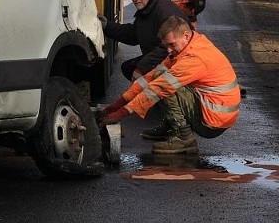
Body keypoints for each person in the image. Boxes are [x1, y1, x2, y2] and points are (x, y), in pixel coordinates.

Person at [99, 16, 240, 154]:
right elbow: (149, 78)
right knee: (160, 78)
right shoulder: (188, 46)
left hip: (213, 122)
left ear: (185, 35)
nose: (168, 51)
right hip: (213, 110)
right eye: (166, 45)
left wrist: (121, 113)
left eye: (171, 44)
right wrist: (117, 104)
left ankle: (184, 138)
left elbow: (159, 88)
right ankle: (170, 127)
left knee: (167, 87)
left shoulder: (195, 58)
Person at [100, 0, 189, 81]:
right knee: (129, 67)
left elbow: (167, 48)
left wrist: (142, 67)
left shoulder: (164, 13)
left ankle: (152, 95)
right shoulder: (148, 9)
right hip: (165, 58)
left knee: (135, 70)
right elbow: (133, 34)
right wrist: (107, 26)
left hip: (176, 61)